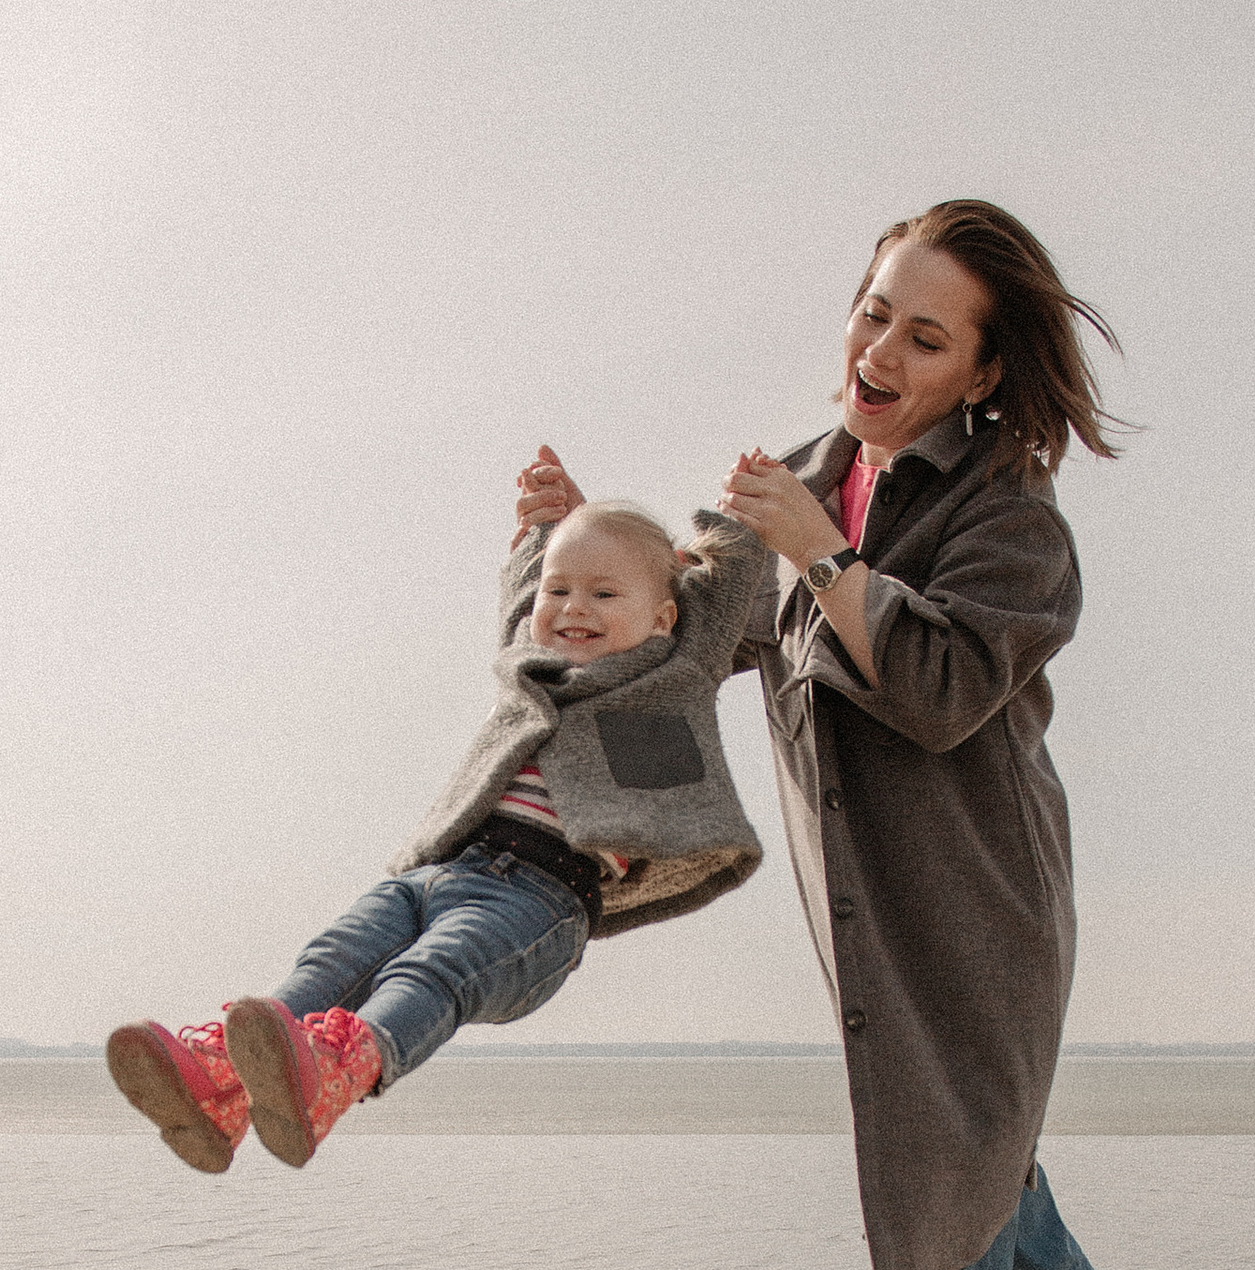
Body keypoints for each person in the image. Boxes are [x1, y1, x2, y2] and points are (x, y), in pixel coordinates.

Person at [528, 199, 1198, 1270]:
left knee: (929, 1253)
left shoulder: (1015, 525)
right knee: (967, 1185)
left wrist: (827, 559)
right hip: (861, 921)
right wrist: (559, 549)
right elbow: (683, 642)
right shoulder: (806, 477)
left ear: (982, 371)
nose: (878, 347)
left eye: (925, 331)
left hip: (977, 925)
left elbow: (947, 689)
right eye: (873, 307)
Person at [107, 494, 768, 1173]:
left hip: (540, 899)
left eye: (603, 593)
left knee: (432, 969)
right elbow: (522, 592)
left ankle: (345, 1067)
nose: (573, 608)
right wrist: (541, 528)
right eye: (560, 589)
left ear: (662, 618)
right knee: (333, 959)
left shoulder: (669, 680)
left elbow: (721, 604)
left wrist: (740, 518)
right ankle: (225, 1084)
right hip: (433, 872)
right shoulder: (526, 667)